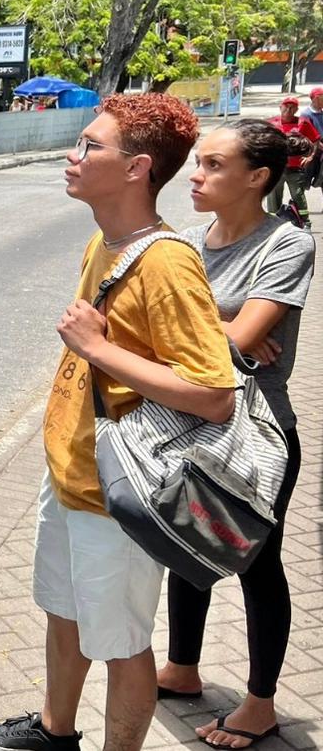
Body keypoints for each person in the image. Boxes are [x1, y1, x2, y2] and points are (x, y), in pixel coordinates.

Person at [0, 94, 236, 751]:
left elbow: (213, 393)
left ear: (136, 169)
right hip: (73, 475)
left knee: (122, 643)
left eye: (92, 146)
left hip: (122, 495)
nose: (74, 153)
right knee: (63, 612)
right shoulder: (106, 241)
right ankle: (56, 733)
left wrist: (99, 349)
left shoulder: (167, 263)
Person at [155, 120, 314, 750]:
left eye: (213, 165)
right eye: (197, 162)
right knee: (186, 548)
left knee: (257, 563)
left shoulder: (287, 244)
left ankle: (261, 703)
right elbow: (149, 327)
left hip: (258, 434)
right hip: (191, 422)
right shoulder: (189, 245)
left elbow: (244, 343)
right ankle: (183, 667)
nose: (196, 175)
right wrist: (226, 325)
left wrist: (214, 328)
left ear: (258, 178)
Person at [265, 97, 319, 226]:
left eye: (292, 107)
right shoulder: (271, 123)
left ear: (296, 109)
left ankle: (305, 222)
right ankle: (272, 223)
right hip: (276, 167)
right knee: (273, 196)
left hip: (296, 168)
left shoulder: (303, 123)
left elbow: (315, 140)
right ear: (280, 107)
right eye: (286, 106)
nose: (288, 110)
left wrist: (310, 156)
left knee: (298, 195)